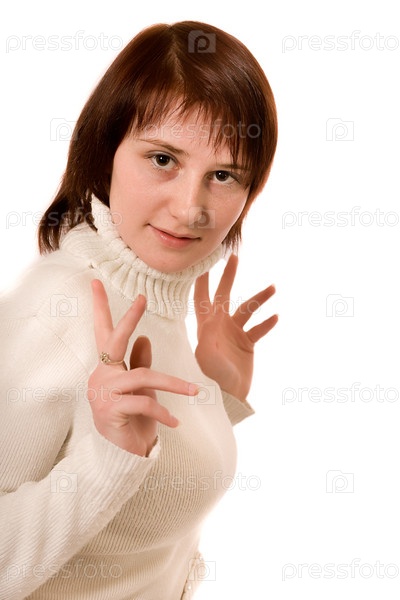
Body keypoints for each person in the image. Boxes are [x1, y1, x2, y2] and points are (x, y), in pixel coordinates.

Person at [0, 20, 278, 600]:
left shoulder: (153, 302)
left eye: (223, 175)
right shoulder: (60, 310)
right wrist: (108, 459)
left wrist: (218, 394)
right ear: (105, 151)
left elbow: (141, 529)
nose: (191, 208)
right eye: (163, 159)